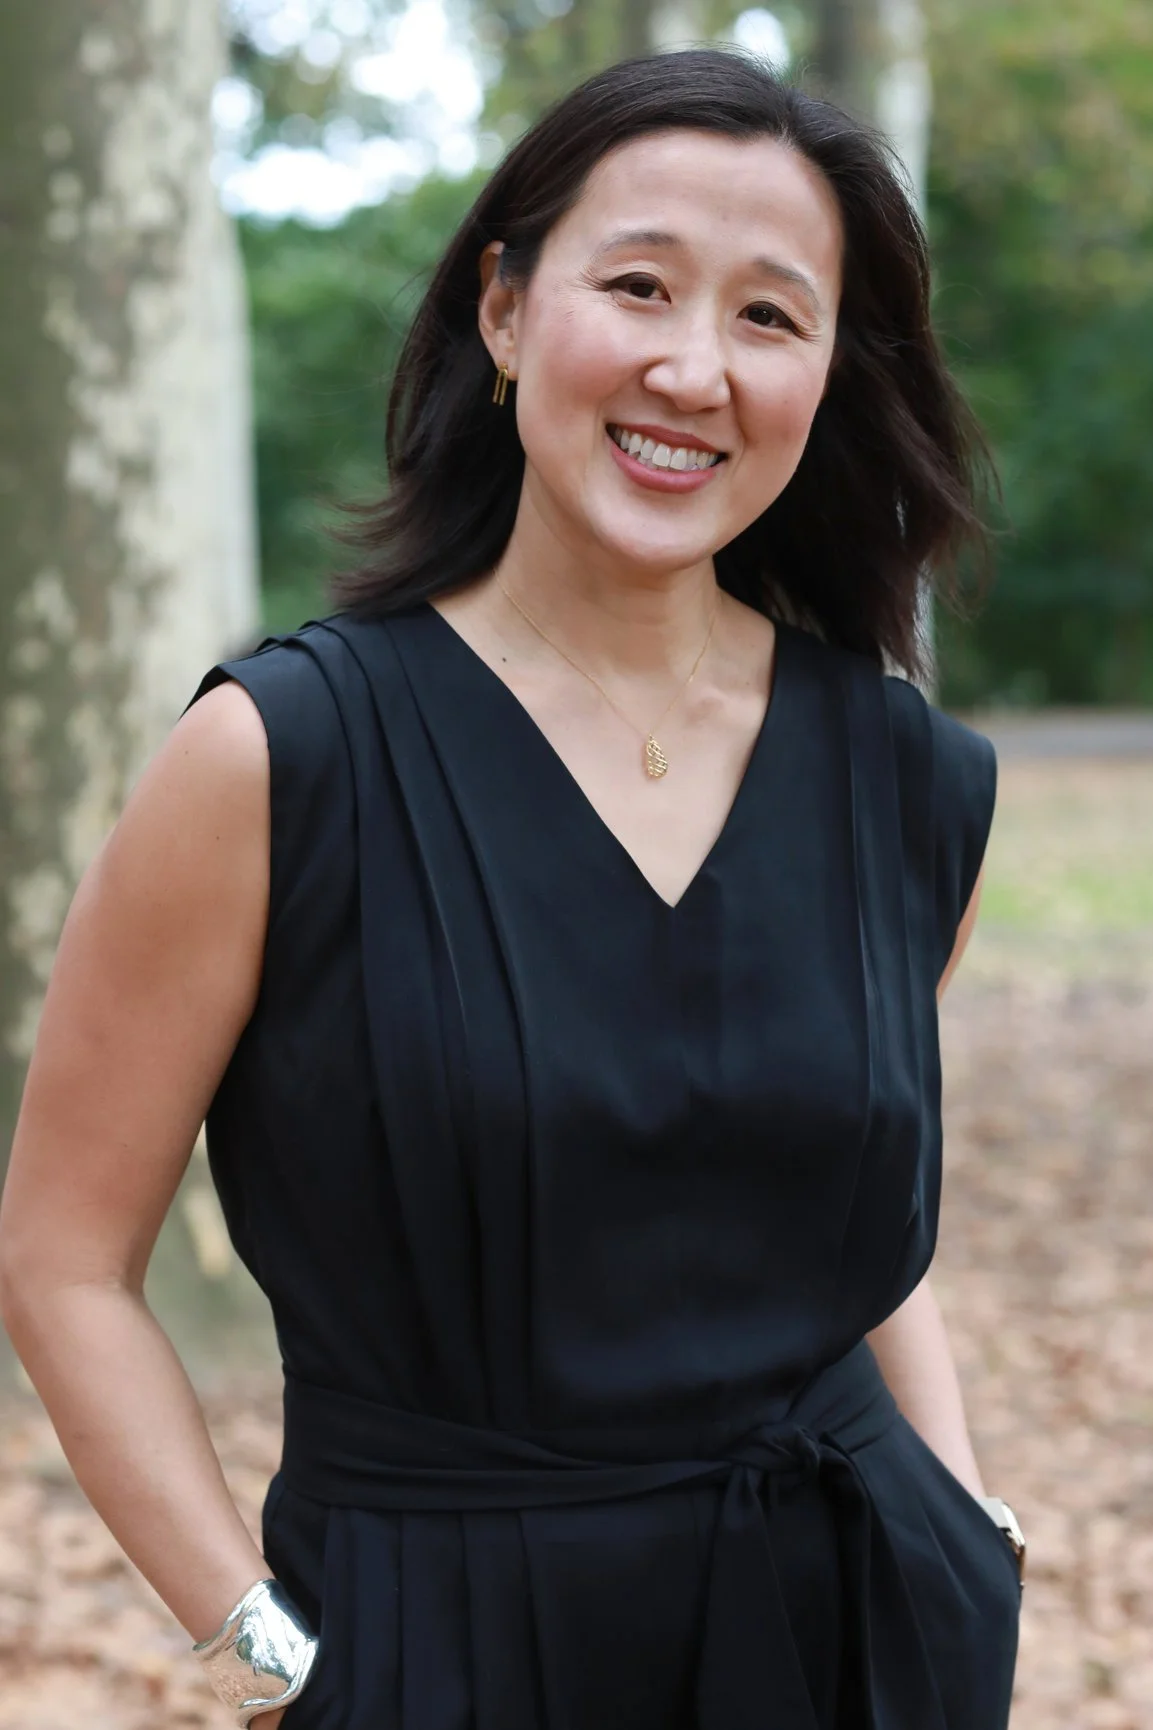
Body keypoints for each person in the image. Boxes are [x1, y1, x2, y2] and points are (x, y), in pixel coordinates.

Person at [0, 44, 1026, 1730]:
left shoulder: (905, 780)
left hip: (857, 1637)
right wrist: (274, 1660)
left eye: (771, 317)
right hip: (442, 1654)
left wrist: (962, 1513)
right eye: (639, 286)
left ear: (833, 373)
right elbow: (59, 1252)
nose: (694, 366)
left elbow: (839, 1209)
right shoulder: (282, 758)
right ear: (504, 312)